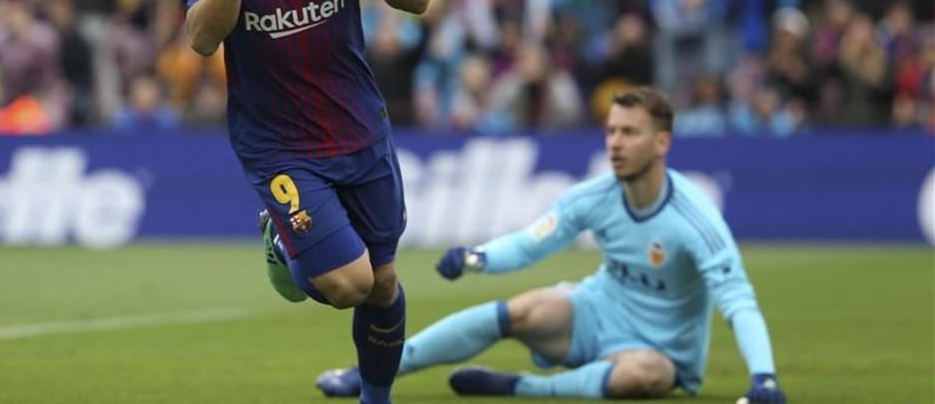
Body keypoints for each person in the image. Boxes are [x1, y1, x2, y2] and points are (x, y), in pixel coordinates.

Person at [181, 0, 430, 404]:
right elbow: (201, 39)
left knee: (384, 281)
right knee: (347, 283)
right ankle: (282, 236)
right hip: (281, 145)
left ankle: (376, 399)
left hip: (360, 129)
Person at [317, 86, 787, 403]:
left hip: (662, 352)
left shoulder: (694, 217)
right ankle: (374, 372)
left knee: (646, 376)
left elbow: (738, 301)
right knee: (521, 311)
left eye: (630, 133)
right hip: (595, 315)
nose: (616, 144)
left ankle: (520, 387)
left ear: (662, 142)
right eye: (612, 132)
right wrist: (478, 258)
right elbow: (531, 243)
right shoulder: (598, 195)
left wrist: (763, 377)